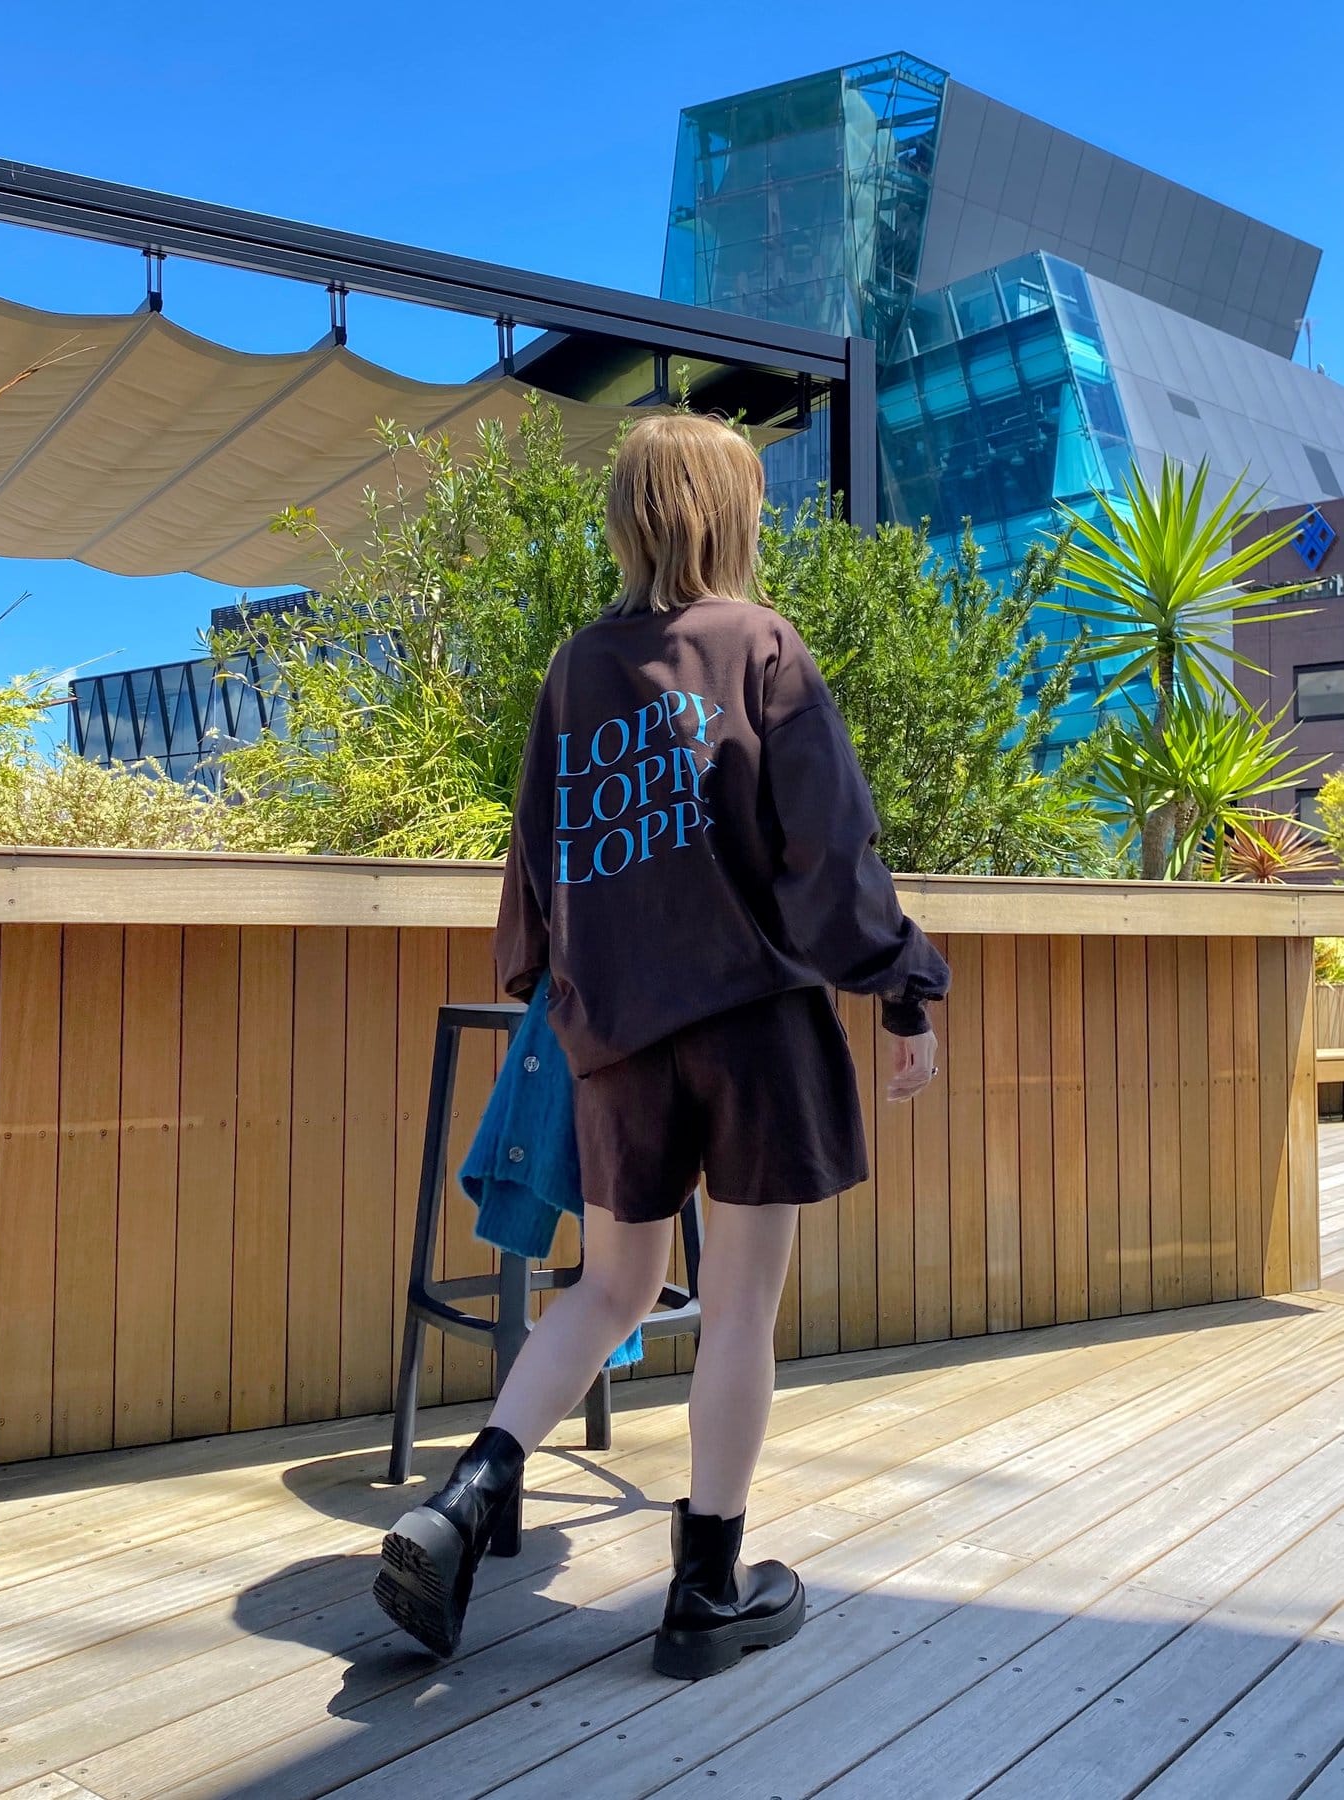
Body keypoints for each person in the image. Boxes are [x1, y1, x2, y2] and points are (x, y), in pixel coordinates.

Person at [374, 413, 950, 1681]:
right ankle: (705, 1591)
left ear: (628, 519)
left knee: (608, 1289)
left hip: (618, 1039)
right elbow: (827, 855)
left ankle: (462, 1503)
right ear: (732, 515)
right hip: (752, 1028)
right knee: (738, 1306)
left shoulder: (576, 668)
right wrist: (904, 990)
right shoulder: (762, 645)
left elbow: (536, 856)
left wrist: (555, 992)